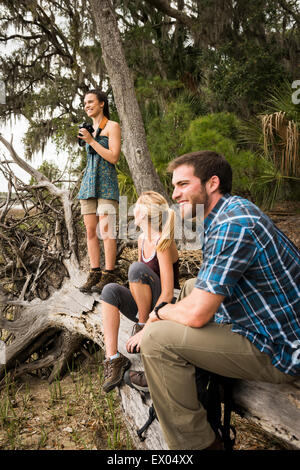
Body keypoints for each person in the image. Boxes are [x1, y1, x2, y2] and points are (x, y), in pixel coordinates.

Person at [128, 150, 300, 450]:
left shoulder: (232, 226)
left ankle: (200, 446)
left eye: (182, 184)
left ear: (212, 183)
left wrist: (161, 312)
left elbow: (195, 316)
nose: (174, 193)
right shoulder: (231, 212)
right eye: (173, 186)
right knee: (194, 285)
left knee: (157, 340)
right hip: (273, 322)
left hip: (280, 347)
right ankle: (180, 379)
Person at [99, 191, 180, 393]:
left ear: (144, 213)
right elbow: (138, 287)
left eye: (136, 205)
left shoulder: (162, 241)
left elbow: (169, 293)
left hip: (165, 309)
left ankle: (141, 325)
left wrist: (146, 328)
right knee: (109, 290)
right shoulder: (143, 238)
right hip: (148, 305)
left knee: (136, 268)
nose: (133, 208)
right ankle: (113, 359)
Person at [77, 89, 121, 294]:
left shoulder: (112, 126)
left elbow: (113, 157)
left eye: (90, 101)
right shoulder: (87, 128)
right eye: (84, 103)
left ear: (102, 103)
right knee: (90, 231)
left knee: (107, 230)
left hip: (106, 183)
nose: (87, 105)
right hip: (88, 184)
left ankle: (109, 273)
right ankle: (94, 272)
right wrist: (88, 138)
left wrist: (92, 141)